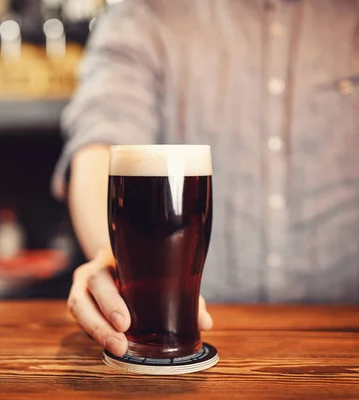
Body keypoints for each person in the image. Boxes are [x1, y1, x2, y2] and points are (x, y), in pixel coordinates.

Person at [51, 0, 359, 357]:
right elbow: (98, 148)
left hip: (346, 333)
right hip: (190, 333)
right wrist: (113, 263)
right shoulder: (147, 13)